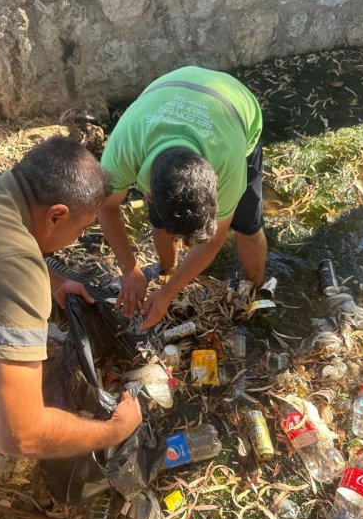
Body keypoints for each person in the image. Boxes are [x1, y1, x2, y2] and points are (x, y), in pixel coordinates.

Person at [0, 135, 142, 481]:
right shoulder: (18, 272)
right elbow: (21, 435)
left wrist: (56, 282)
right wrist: (114, 430)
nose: (79, 238)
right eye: (82, 228)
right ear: (56, 216)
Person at [97, 66, 266, 330]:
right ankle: (167, 270)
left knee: (249, 227)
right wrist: (130, 269)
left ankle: (254, 290)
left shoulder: (229, 164)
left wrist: (168, 295)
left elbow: (212, 242)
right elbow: (106, 208)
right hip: (167, 96)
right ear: (149, 195)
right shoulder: (123, 150)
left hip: (233, 107)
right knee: (162, 226)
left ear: (216, 188)